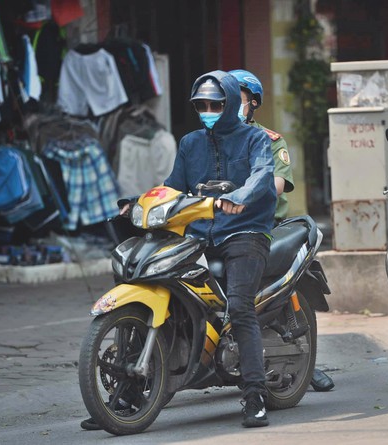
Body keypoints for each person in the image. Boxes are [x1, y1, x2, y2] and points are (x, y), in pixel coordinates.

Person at [81, 71, 277, 430]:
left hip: (246, 233)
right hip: (198, 233)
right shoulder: (190, 144)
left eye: (215, 104)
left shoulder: (255, 140)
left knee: (240, 305)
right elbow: (173, 187)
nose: (208, 110)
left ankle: (254, 394)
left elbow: (263, 177)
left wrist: (238, 198)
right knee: (160, 289)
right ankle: (128, 396)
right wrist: (137, 202)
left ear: (231, 103)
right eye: (201, 105)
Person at [229, 68, 335, 392]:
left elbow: (275, 185)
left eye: (237, 100)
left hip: (262, 227)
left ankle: (305, 362)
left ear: (252, 104)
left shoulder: (270, 142)